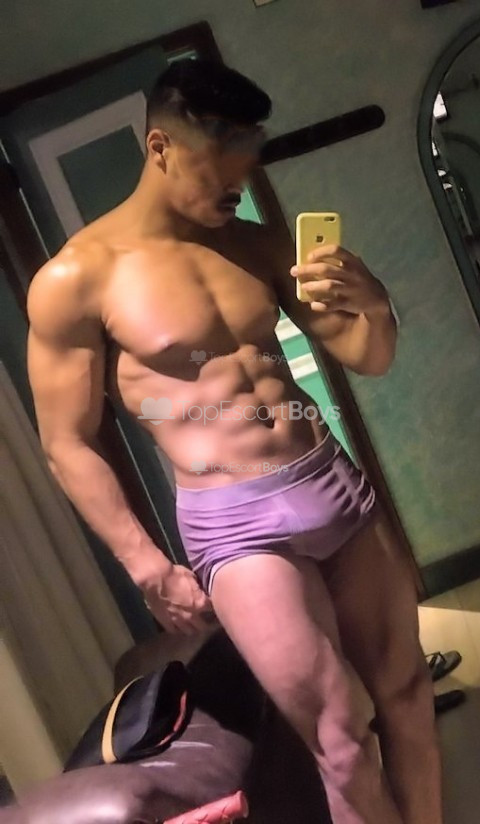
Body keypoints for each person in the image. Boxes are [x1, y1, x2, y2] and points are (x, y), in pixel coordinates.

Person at [26, 58, 442, 823]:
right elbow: (67, 443)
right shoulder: (75, 280)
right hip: (237, 527)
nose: (238, 182)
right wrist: (146, 563)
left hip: (332, 485)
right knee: (342, 741)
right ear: (160, 148)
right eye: (221, 163)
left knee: (409, 694)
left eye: (249, 159)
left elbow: (368, 357)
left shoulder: (255, 245)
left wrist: (375, 305)